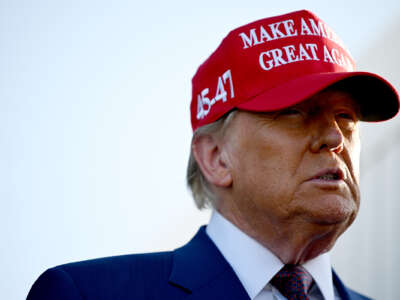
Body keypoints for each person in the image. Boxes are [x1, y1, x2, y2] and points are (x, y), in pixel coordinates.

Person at [27, 9, 399, 300]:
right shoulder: (86, 294)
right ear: (216, 157)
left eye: (346, 117)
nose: (334, 136)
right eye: (294, 112)